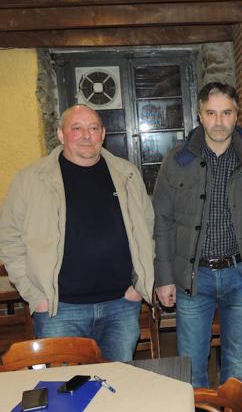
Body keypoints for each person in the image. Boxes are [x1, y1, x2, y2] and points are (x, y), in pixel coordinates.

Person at [0, 105, 154, 362]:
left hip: (121, 304)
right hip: (59, 310)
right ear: (61, 135)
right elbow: (10, 238)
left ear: (103, 134)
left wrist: (138, 287)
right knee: (66, 391)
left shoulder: (126, 174)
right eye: (77, 128)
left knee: (120, 387)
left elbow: (148, 229)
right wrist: (35, 296)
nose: (86, 135)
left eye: (93, 128)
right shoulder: (30, 180)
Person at [153, 81, 242, 388]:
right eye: (211, 113)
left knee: (237, 359)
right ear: (199, 115)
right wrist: (164, 277)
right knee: (192, 362)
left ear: (236, 115)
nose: (219, 121)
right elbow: (162, 223)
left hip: (239, 274)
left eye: (226, 113)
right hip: (194, 277)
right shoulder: (177, 160)